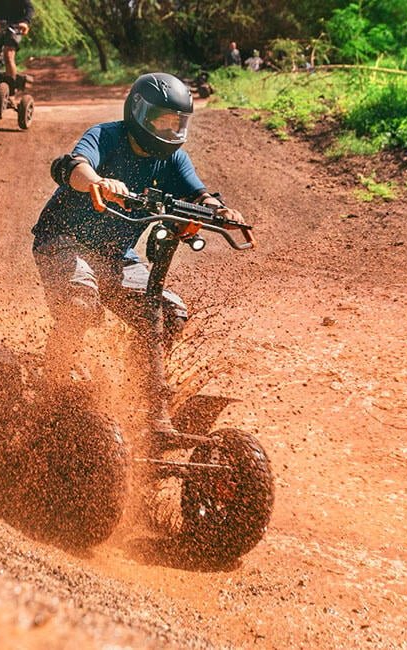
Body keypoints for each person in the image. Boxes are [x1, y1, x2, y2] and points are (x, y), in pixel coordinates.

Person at [35, 72, 245, 437]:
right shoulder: (107, 136)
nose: (169, 129)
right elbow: (74, 166)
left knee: (167, 315)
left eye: (176, 122)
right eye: (161, 119)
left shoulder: (174, 159)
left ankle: (138, 390)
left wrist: (219, 211)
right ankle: (51, 384)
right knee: (81, 303)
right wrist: (98, 182)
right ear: (138, 112)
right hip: (63, 240)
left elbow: (199, 194)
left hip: (117, 256)